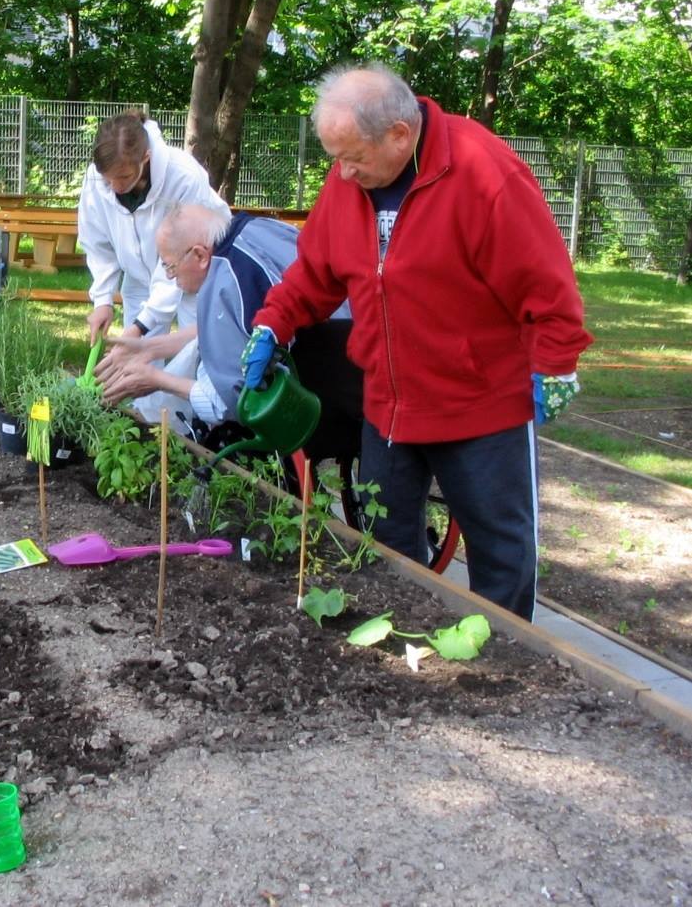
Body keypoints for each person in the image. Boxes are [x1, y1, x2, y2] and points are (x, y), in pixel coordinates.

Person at [241, 63, 592, 619]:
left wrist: (556, 363)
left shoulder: (483, 172)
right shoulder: (350, 178)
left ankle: (505, 656)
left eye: (352, 158)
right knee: (385, 543)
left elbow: (545, 283)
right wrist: (272, 324)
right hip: (388, 403)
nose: (342, 172)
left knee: (500, 553)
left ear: (399, 135)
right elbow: (314, 272)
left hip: (480, 404)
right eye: (336, 158)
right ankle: (402, 648)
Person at [96, 202, 303, 432]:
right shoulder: (256, 228)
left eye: (170, 267)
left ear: (200, 255)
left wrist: (155, 380)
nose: (170, 277)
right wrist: (150, 348)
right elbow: (219, 329)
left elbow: (228, 403)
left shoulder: (224, 286)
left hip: (306, 400)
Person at [78, 111, 231, 347]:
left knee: (195, 350)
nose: (115, 187)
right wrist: (102, 301)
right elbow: (97, 243)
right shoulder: (96, 178)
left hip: (196, 274)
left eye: (124, 177)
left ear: (146, 158)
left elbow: (184, 256)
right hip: (138, 277)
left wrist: (140, 326)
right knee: (136, 355)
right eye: (108, 179)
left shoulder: (183, 176)